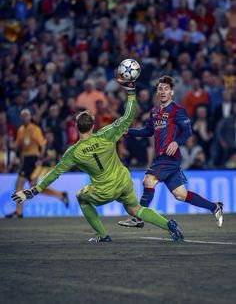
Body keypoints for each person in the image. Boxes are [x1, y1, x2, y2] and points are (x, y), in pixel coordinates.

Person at [11, 79, 184, 242]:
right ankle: (169, 225)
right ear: (92, 125)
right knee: (135, 209)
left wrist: (31, 191)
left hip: (104, 191)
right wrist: (131, 92)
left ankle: (102, 235)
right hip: (123, 181)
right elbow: (128, 115)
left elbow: (54, 174)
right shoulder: (107, 134)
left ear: (77, 127)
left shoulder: (73, 153)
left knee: (81, 196)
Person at [118, 75, 223, 229]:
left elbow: (187, 132)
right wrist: (129, 131)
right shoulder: (154, 111)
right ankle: (214, 206)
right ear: (156, 92)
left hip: (169, 157)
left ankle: (137, 218)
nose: (163, 91)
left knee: (148, 180)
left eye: (166, 89)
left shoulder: (177, 110)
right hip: (163, 158)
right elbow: (147, 131)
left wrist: (176, 142)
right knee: (180, 194)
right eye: (160, 89)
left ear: (172, 92)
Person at [6, 109, 46, 218]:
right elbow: (16, 144)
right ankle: (60, 195)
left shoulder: (35, 129)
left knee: (19, 184)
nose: (24, 118)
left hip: (32, 158)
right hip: (25, 158)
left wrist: (40, 159)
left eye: (26, 115)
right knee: (32, 186)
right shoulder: (21, 130)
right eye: (22, 116)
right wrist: (9, 144)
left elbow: (42, 144)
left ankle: (18, 212)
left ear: (30, 117)